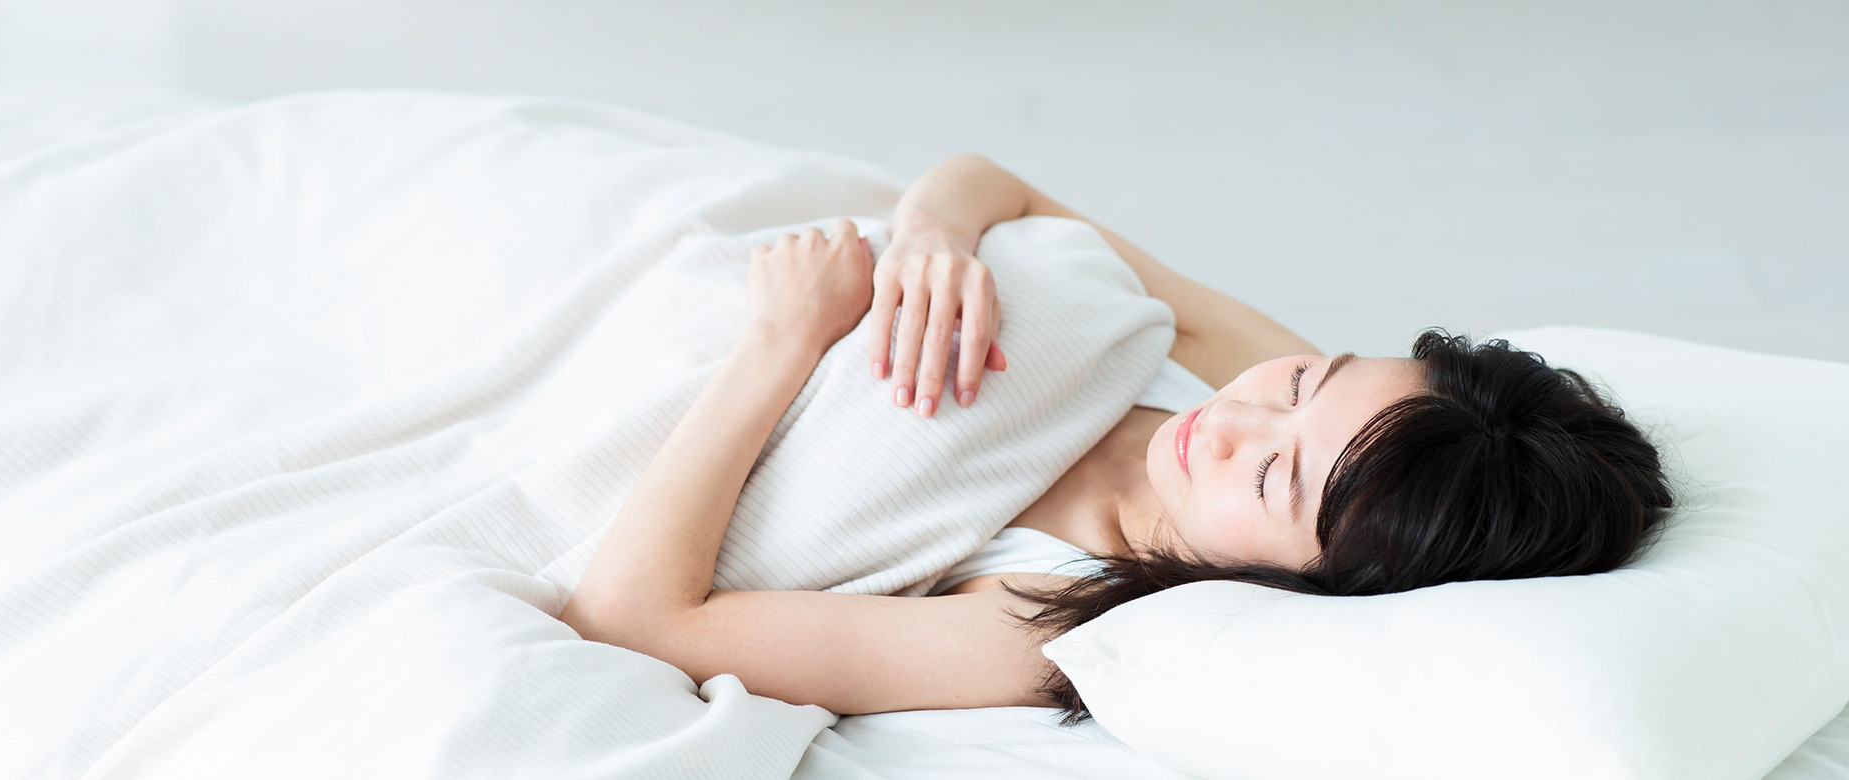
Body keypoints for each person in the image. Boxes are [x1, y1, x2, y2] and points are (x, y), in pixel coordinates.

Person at [557, 153, 1675, 724]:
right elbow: (998, 183)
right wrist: (932, 242)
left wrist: (783, 341)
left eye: (1275, 477)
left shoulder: (1049, 621)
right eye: (1303, 381)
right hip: (656, 251)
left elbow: (634, 618)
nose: (1232, 420)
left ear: (1319, 583)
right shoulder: (1254, 386)